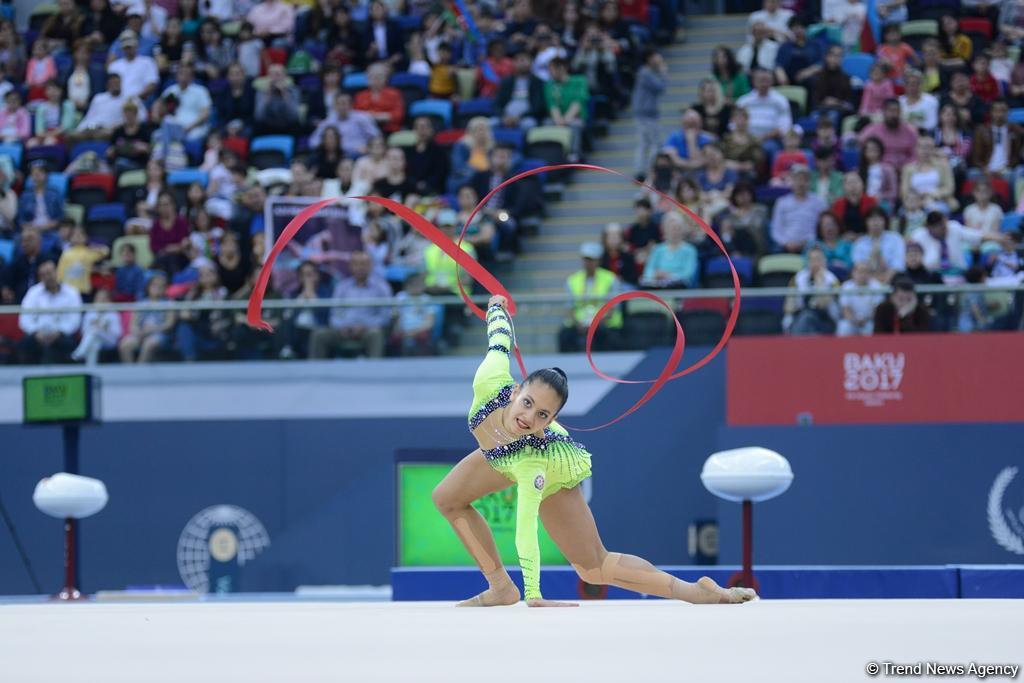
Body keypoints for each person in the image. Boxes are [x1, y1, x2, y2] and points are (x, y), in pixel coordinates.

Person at [434, 294, 758, 606]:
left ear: (552, 420)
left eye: (542, 415)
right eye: (527, 403)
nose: (528, 417)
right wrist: (496, 308)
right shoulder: (489, 380)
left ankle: (693, 591)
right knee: (447, 499)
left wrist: (533, 593)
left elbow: (526, 526)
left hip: (546, 463)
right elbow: (499, 339)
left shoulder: (535, 459)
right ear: (515, 390)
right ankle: (500, 587)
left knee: (594, 568)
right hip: (501, 452)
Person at [309, 251, 392, 359]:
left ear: (371, 266)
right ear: (350, 266)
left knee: (375, 334)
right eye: (356, 264)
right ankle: (316, 373)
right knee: (320, 335)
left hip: (368, 330)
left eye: (364, 264)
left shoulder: (382, 287)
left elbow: (385, 316)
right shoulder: (342, 287)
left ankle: (374, 373)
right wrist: (342, 327)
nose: (360, 267)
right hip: (342, 330)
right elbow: (334, 314)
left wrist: (365, 326)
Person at [559, 241, 623, 352]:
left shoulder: (611, 279)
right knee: (565, 335)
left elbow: (613, 308)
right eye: (586, 259)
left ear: (598, 260)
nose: (588, 262)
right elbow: (569, 308)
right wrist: (578, 324)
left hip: (603, 324)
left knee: (605, 335)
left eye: (591, 259)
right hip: (579, 324)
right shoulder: (572, 280)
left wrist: (595, 324)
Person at [17, 260, 82, 364]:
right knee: (24, 345)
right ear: (40, 277)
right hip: (37, 334)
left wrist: (59, 332)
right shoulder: (33, 292)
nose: (48, 277)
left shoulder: (71, 293)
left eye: (50, 273)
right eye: (43, 275)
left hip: (62, 334)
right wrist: (36, 332)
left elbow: (74, 320)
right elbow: (24, 319)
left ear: (56, 272)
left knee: (70, 345)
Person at [770, 164, 827, 253]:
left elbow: (824, 227)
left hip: (811, 245)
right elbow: (776, 230)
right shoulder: (782, 202)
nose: (801, 183)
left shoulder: (819, 202)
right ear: (792, 181)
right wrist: (786, 243)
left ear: (810, 182)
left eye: (805, 180)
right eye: (798, 179)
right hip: (786, 246)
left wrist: (809, 241)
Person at [783, 246, 840, 335]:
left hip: (825, 318)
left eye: (818, 260)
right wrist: (793, 305)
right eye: (812, 260)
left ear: (824, 261)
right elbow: (788, 307)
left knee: (807, 318)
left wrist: (820, 283)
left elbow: (822, 305)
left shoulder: (832, 280)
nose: (815, 263)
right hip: (801, 315)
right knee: (796, 319)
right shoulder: (797, 278)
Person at [632, 48, 668, 179]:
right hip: (647, 113)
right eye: (656, 55)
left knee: (645, 144)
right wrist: (664, 73)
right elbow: (660, 87)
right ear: (650, 58)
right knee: (654, 143)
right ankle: (649, 170)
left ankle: (641, 170)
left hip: (645, 112)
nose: (659, 58)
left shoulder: (646, 72)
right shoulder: (645, 73)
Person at [640, 212, 699, 288]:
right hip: (656, 285)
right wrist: (655, 275)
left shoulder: (690, 250)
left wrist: (668, 275)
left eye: (677, 228)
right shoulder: (658, 249)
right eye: (671, 228)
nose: (674, 231)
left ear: (682, 230)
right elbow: (648, 271)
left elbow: (688, 273)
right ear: (664, 229)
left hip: (678, 287)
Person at [852, 206, 905, 282]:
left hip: (893, 281)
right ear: (866, 222)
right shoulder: (860, 243)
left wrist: (885, 280)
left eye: (879, 219)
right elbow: (859, 267)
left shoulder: (896, 239)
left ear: (885, 221)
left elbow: (898, 265)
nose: (875, 223)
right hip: (866, 282)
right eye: (872, 219)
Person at [71, 287, 122, 365]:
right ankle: (91, 370)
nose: (101, 302)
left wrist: (104, 327)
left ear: (109, 301)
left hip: (110, 341)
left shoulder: (113, 314)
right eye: (98, 299)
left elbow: (117, 333)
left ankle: (79, 353)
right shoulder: (90, 313)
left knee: (95, 331)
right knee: (95, 343)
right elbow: (84, 332)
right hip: (93, 339)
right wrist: (97, 325)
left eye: (104, 299)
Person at [837, 263, 885, 336]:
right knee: (844, 327)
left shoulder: (877, 287)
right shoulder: (846, 287)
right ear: (853, 273)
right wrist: (853, 320)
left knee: (870, 328)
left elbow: (876, 310)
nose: (863, 275)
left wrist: (865, 320)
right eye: (860, 272)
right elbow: (845, 309)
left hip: (869, 321)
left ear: (870, 274)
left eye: (865, 271)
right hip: (851, 320)